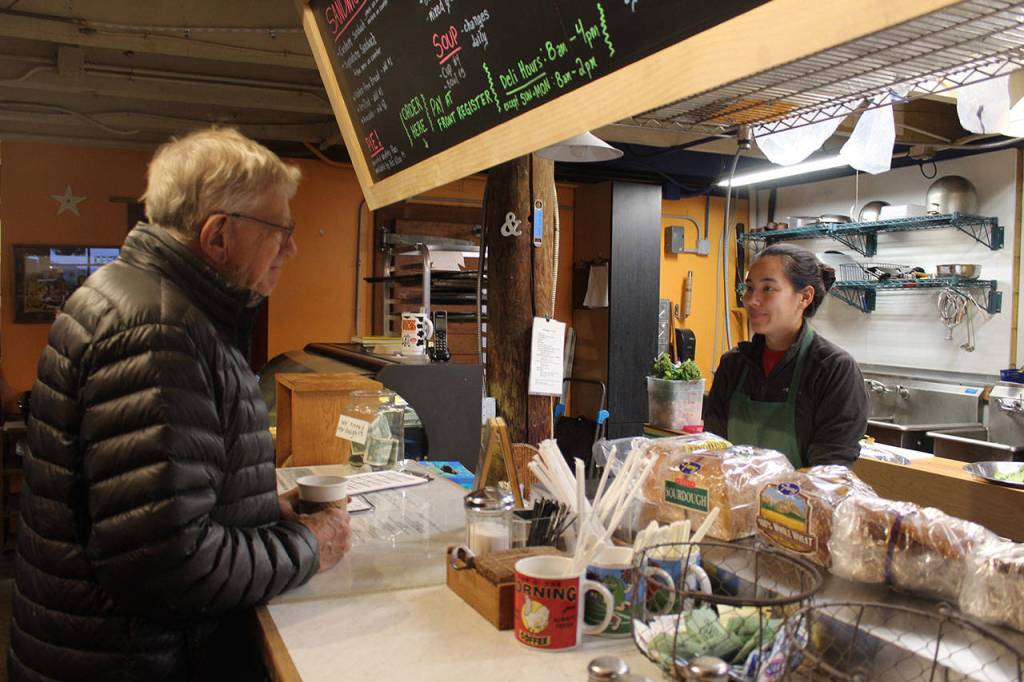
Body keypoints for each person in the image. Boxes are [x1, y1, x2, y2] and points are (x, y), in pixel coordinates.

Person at [9, 128, 351, 681]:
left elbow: (155, 512)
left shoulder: (144, 300)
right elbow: (168, 564)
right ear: (217, 237)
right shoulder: (158, 331)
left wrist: (261, 512)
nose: (292, 247)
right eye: (280, 229)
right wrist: (309, 545)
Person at [704, 243, 867, 468]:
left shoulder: (833, 369)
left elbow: (831, 468)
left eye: (768, 289)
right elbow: (714, 448)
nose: (752, 300)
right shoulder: (734, 365)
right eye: (749, 288)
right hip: (734, 500)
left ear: (805, 297)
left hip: (803, 501)